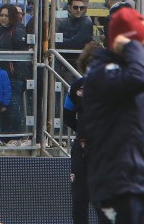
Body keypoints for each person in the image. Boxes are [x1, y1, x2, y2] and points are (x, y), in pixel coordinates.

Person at [81, 8, 144, 224]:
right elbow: (141, 80)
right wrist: (133, 46)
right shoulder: (103, 70)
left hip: (136, 179)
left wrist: (143, 52)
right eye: (142, 47)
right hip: (115, 180)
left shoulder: (130, 72)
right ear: (126, 44)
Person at [63, 41, 99, 224]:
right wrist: (84, 132)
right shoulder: (77, 87)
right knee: (79, 199)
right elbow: (67, 116)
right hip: (82, 149)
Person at [0, 3, 30, 145]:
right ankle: (4, 136)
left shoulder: (18, 31)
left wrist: (18, 74)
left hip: (13, 77)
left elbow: (23, 56)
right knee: (3, 108)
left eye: (6, 16)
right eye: (1, 15)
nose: (3, 18)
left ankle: (16, 136)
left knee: (13, 106)